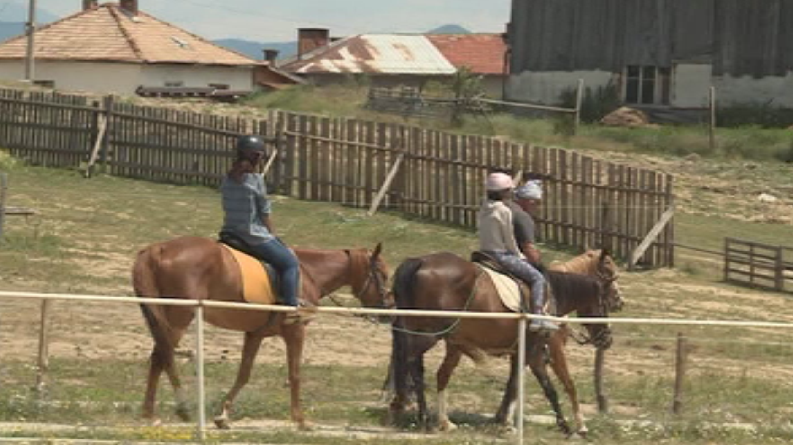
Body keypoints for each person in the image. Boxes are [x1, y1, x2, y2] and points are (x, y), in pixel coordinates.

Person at [220, 135, 309, 316]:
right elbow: (264, 212)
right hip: (252, 234)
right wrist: (273, 235)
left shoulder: (227, 178)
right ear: (257, 157)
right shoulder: (255, 180)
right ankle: (291, 307)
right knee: (290, 262)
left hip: (229, 231)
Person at [478, 172, 558, 332]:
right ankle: (537, 316)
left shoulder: (484, 207)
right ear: (503, 192)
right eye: (508, 190)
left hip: (483, 252)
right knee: (537, 278)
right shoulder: (504, 211)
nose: (511, 193)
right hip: (500, 254)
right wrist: (519, 256)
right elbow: (509, 239)